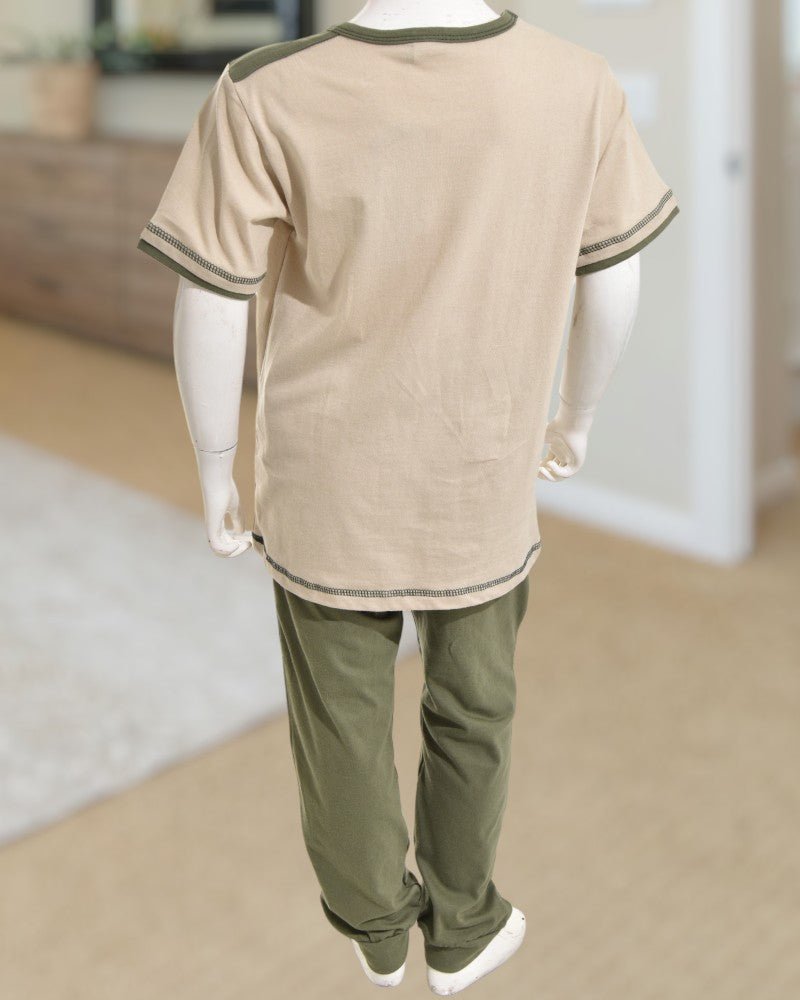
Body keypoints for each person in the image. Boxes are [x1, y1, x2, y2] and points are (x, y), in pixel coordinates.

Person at [137, 2, 679, 993]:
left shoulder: (264, 91)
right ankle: (463, 926)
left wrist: (216, 465)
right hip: (482, 471)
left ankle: (376, 927)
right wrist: (578, 417)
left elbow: (210, 294)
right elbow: (613, 275)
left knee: (339, 723)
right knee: (475, 707)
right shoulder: (577, 84)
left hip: (324, 478)